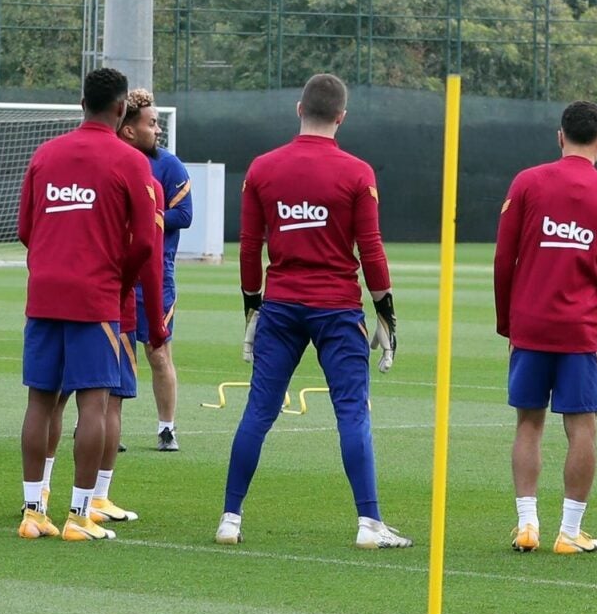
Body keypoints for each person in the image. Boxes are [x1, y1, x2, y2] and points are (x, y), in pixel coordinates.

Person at [220, 73, 408, 549]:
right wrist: (385, 312)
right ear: (341, 117)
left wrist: (251, 308)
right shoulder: (357, 172)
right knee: (352, 413)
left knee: (259, 411)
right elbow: (371, 249)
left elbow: (249, 247)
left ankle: (230, 519)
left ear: (299, 109)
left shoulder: (262, 168)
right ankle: (369, 524)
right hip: (337, 309)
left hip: (280, 306)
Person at [18, 68, 166, 542]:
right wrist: (119, 281)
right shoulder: (130, 162)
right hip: (96, 294)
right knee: (94, 404)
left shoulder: (45, 154)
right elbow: (146, 242)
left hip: (44, 293)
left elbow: (24, 228)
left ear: (82, 103)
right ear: (121, 109)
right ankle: (80, 514)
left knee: (40, 401)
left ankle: (32, 512)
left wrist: (51, 262)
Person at [494, 100, 597, 554]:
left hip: (530, 327)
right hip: (579, 332)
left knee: (528, 423)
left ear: (560, 136)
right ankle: (570, 532)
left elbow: (504, 259)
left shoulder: (527, 183)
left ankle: (527, 523)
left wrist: (506, 323)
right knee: (582, 428)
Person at [106, 88, 192, 520]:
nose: (157, 130)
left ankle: (166, 428)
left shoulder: (168, 165)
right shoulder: (113, 160)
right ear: (128, 127)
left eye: (158, 122)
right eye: (151, 122)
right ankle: (108, 429)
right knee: (114, 353)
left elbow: (184, 214)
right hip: (114, 274)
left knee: (159, 353)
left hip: (158, 272)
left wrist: (147, 212)